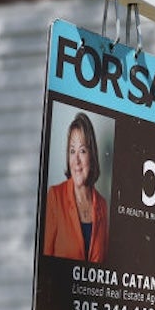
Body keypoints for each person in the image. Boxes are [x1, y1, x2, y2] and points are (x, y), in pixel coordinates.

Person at [43, 111, 108, 262]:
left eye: (83, 151)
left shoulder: (103, 206)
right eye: (72, 151)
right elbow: (44, 265)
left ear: (92, 156)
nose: (76, 160)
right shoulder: (55, 197)